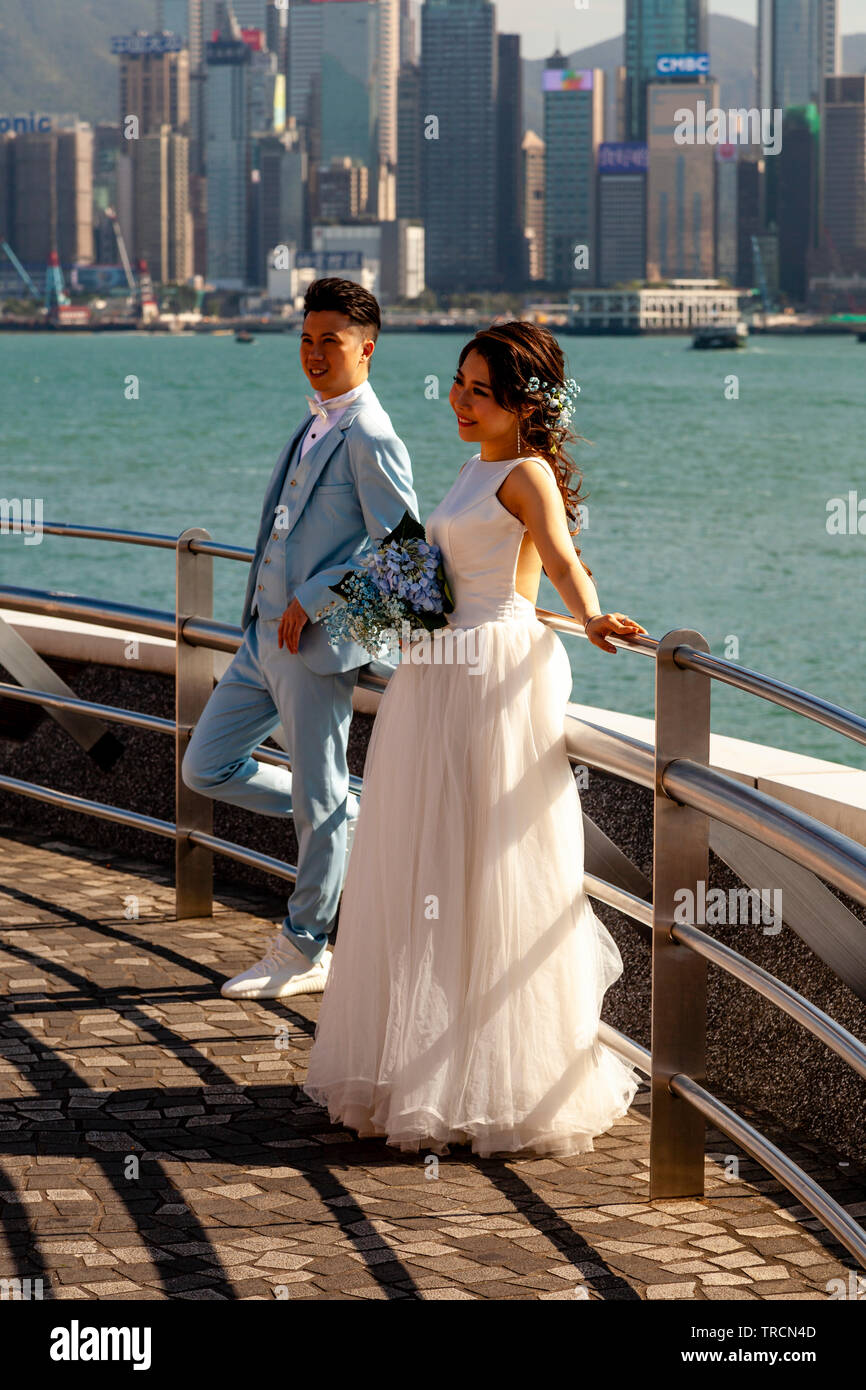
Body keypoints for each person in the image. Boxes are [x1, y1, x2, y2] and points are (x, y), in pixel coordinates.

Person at [302, 321, 648, 1158]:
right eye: (457, 383)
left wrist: (594, 615)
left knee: (489, 860)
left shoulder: (526, 473)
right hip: (439, 669)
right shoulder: (470, 466)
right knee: (428, 861)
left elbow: (561, 561)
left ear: (525, 404)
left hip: (492, 671)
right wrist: (393, 598)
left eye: (477, 391)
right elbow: (440, 570)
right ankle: (421, 1070)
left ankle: (500, 1081)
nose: (457, 399)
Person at [182, 278, 418, 1000]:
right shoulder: (315, 420)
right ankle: (347, 809)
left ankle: (306, 946)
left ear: (367, 349)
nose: (315, 355)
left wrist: (318, 598)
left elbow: (405, 549)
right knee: (206, 766)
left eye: (332, 342)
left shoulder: (372, 433)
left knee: (321, 800)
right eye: (307, 341)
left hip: (315, 647)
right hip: (260, 639)